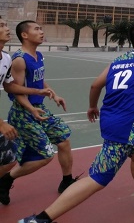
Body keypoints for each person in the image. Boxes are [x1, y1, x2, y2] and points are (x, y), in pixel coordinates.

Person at [18, 22, 134, 223]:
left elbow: (95, 85)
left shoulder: (119, 60)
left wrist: (92, 106)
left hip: (111, 120)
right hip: (126, 127)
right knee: (97, 178)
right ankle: (41, 219)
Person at [0, 21, 77, 205]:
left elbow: (39, 80)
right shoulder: (19, 59)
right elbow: (16, 90)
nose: (41, 32)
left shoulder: (37, 55)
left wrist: (53, 94)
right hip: (23, 112)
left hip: (38, 108)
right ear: (25, 35)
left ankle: (66, 181)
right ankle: (6, 180)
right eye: (37, 29)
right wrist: (31, 108)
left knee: (64, 140)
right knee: (44, 155)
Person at [0, 17, 53, 205]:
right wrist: (1, 124)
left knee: (9, 159)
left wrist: (39, 91)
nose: (7, 28)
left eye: (6, 24)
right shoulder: (18, 59)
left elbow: (10, 86)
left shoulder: (6, 58)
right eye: (1, 26)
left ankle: (4, 183)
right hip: (17, 116)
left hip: (28, 110)